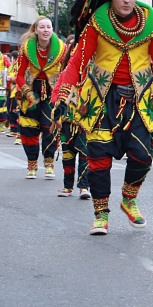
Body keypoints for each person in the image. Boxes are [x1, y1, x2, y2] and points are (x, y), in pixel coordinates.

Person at [52, 0, 153, 235]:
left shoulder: (152, 24)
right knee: (98, 160)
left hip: (139, 101)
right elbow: (77, 61)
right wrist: (62, 97)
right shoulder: (95, 25)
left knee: (144, 156)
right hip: (100, 101)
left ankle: (129, 197)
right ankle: (101, 215)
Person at [15, 17, 66, 180]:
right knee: (28, 130)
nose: (45, 30)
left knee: (50, 128)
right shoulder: (26, 48)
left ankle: (49, 164)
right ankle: (31, 164)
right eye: (42, 27)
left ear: (52, 30)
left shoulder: (62, 49)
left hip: (52, 92)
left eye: (48, 27)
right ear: (36, 30)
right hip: (31, 91)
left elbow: (66, 72)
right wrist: (28, 94)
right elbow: (20, 75)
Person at [56, 34, 89, 198]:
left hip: (86, 123)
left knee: (85, 154)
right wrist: (56, 116)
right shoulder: (65, 74)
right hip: (67, 121)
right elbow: (56, 94)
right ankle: (67, 186)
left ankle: (84, 187)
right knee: (68, 155)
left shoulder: (94, 76)